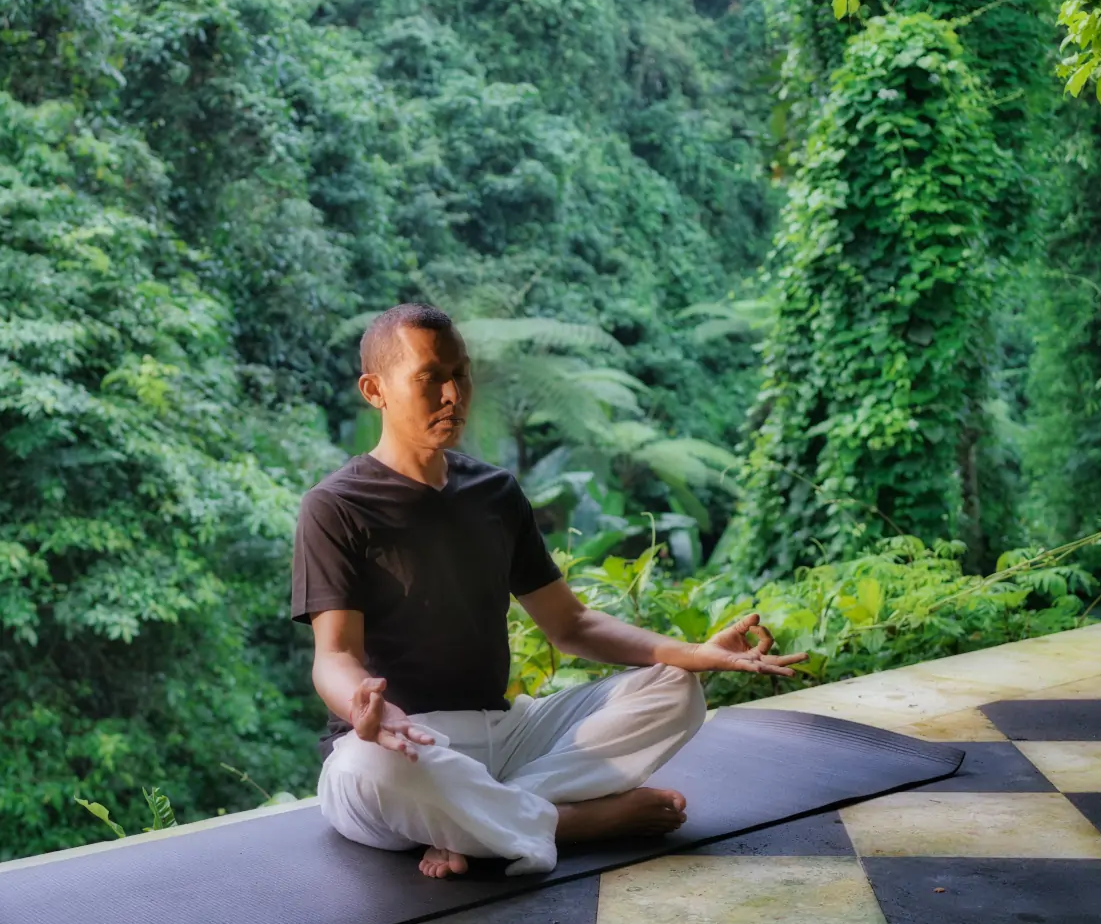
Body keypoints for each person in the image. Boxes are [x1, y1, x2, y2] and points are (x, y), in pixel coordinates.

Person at [290, 302, 807, 879]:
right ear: (374, 389)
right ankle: (570, 822)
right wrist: (368, 707)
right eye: (429, 378)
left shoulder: (494, 493)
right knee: (363, 769)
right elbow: (334, 656)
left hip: (505, 737)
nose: (453, 395)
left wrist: (697, 654)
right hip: (403, 747)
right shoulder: (335, 507)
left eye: (460, 373)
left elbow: (572, 625)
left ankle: (487, 819)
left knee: (677, 692)